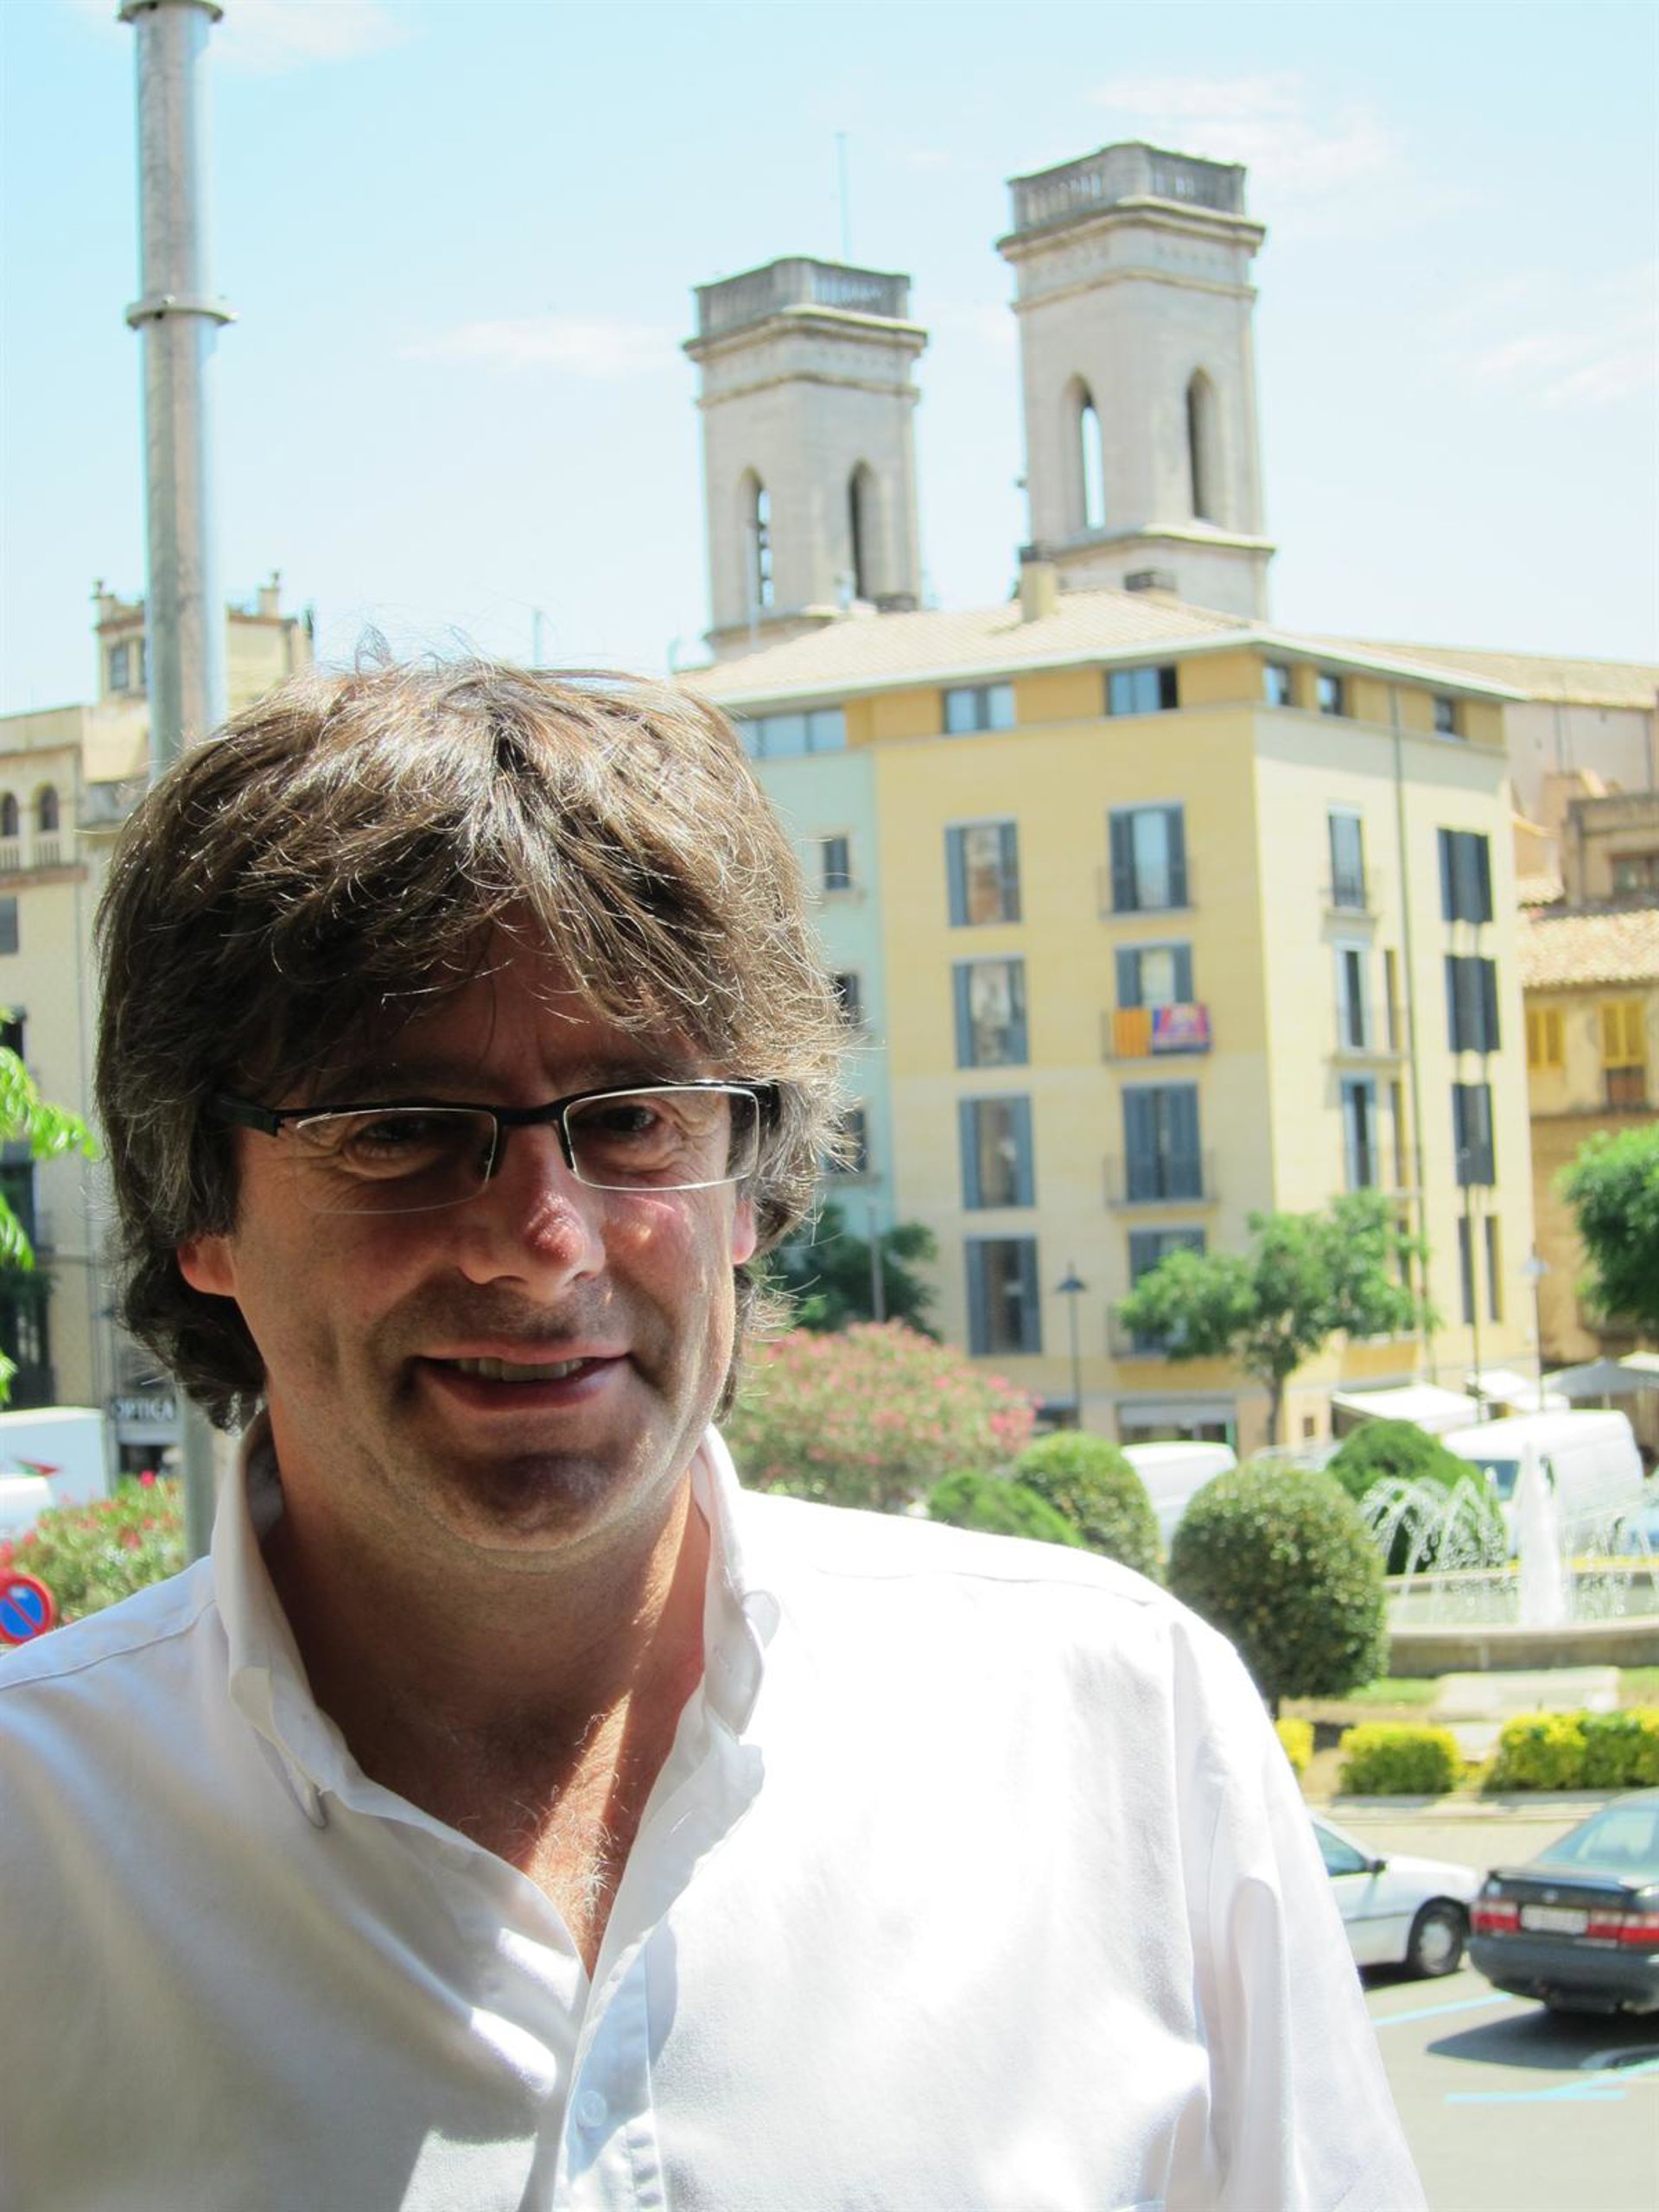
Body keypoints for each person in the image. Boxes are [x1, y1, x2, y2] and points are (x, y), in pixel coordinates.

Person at [0, 661, 1424, 2209]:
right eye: (399, 1131)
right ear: (201, 1208)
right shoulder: (37, 1846)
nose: (544, 1243)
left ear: (749, 1185)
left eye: (632, 1118)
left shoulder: (1124, 1737)